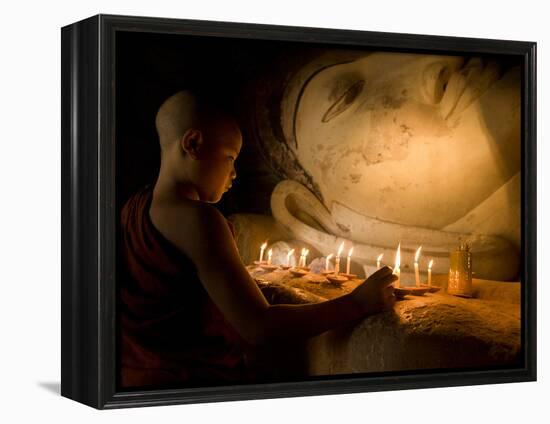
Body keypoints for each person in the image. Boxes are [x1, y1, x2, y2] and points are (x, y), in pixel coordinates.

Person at [119, 89, 397, 389]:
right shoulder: (199, 220)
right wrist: (356, 302)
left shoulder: (134, 206)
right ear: (193, 143)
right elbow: (258, 327)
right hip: (192, 382)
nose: (234, 173)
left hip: (135, 376)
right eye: (229, 157)